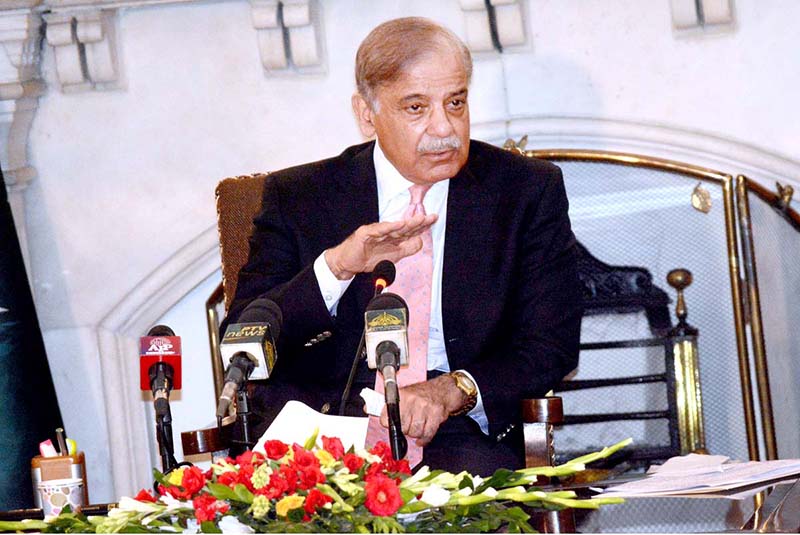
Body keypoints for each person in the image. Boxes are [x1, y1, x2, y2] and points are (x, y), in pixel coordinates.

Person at [222, 17, 582, 475]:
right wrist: (336, 267)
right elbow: (243, 341)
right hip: (323, 432)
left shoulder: (524, 191)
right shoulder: (300, 196)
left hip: (456, 431)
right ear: (366, 114)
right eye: (416, 108)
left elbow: (551, 342)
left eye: (455, 102)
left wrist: (455, 389)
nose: (444, 128)